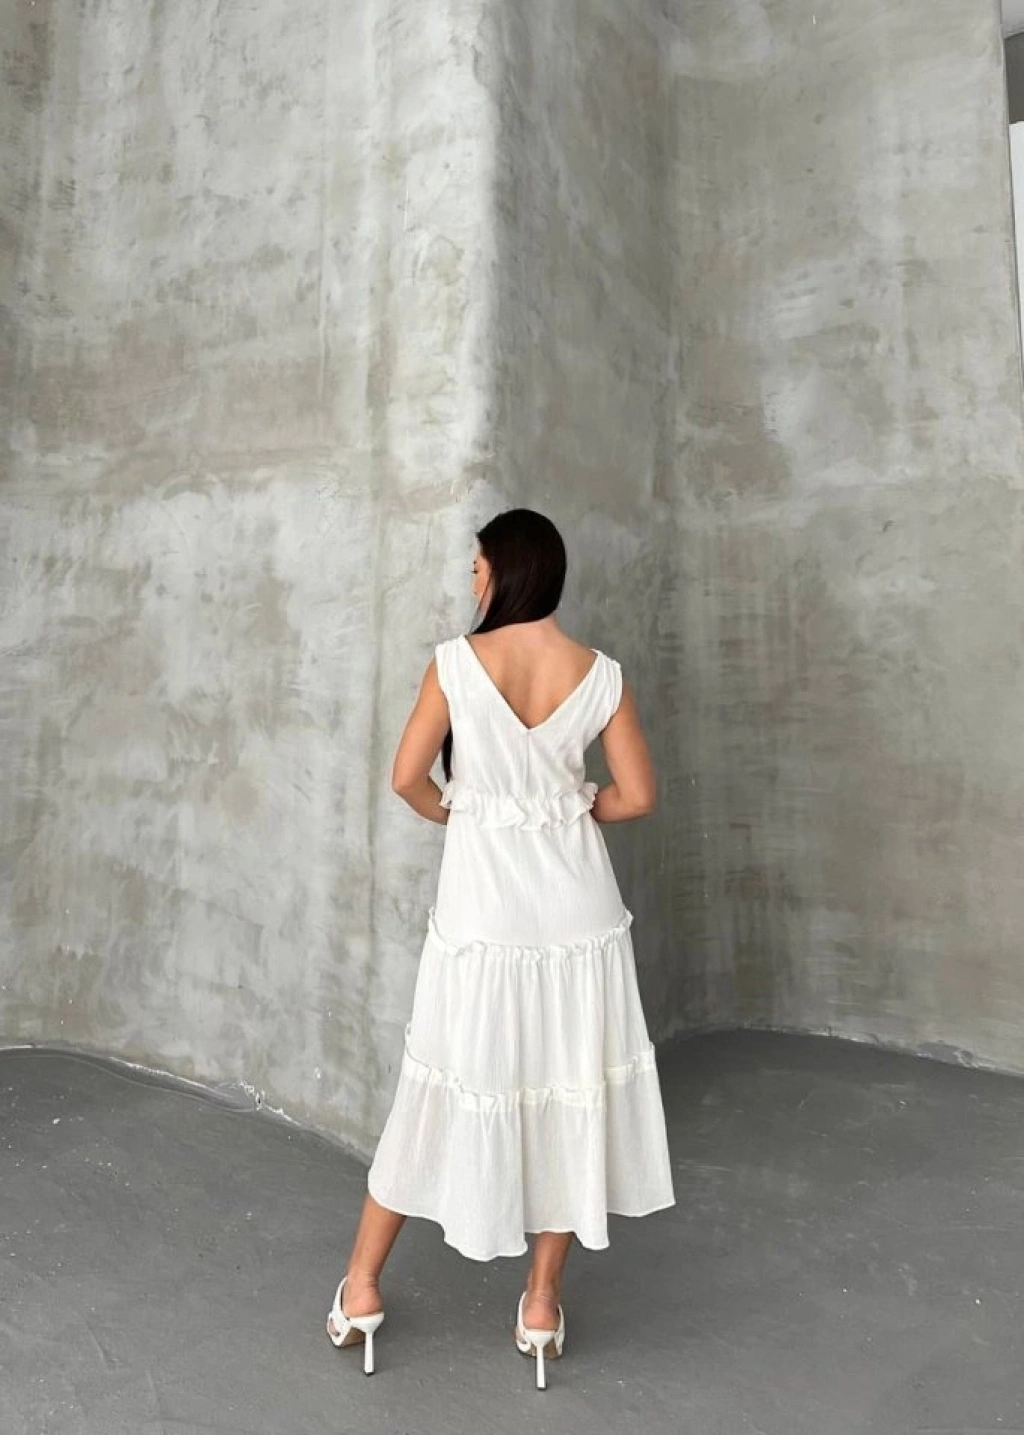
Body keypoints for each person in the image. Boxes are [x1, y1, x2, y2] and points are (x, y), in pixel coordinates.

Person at [325, 508, 675, 1388]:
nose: (472, 581)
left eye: (477, 567)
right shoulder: (600, 675)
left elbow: (408, 776)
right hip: (576, 919)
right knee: (570, 1090)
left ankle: (361, 1289)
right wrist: (573, 806)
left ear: (505, 572)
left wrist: (465, 813)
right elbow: (636, 795)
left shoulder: (454, 663)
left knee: (438, 1083)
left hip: (483, 916)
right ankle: (541, 1305)